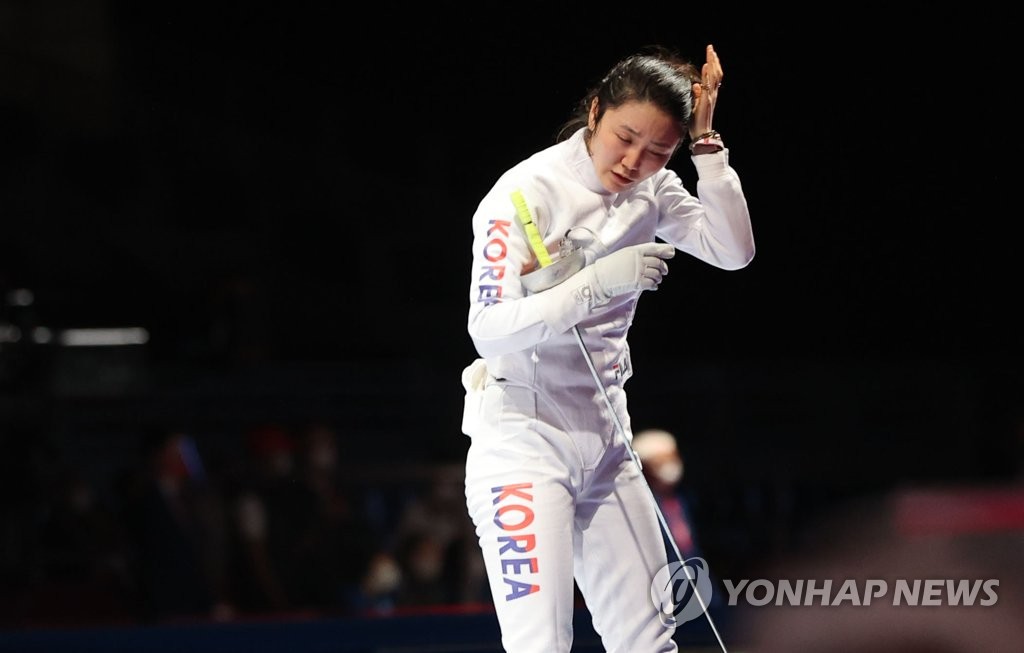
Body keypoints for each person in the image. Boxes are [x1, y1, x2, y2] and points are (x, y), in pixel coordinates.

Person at [461, 43, 754, 653]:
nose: (634, 161)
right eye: (625, 137)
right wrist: (593, 285)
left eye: (658, 150)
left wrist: (706, 146)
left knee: (649, 641)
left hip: (608, 442)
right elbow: (487, 327)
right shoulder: (524, 192)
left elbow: (733, 251)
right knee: (541, 645)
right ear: (595, 112)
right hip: (523, 442)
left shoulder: (656, 189)